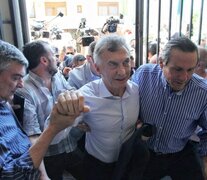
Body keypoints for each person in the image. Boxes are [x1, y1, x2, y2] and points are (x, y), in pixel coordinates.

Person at [0, 39, 89, 179]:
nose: (20, 84)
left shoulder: (57, 76)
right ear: (44, 60)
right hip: (48, 154)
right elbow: (31, 136)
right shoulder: (24, 92)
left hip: (69, 143)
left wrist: (77, 114)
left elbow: (70, 92)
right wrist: (43, 175)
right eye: (16, 77)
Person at [73, 34, 148, 179]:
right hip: (97, 167)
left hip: (128, 163)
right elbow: (58, 131)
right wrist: (72, 120)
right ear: (97, 68)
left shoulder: (136, 91)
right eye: (113, 64)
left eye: (126, 62)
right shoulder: (85, 96)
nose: (122, 71)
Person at [131, 37, 207, 180]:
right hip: (144, 152)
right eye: (177, 69)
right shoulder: (143, 75)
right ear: (161, 63)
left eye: (190, 70)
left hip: (180, 153)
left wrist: (204, 158)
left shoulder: (203, 92)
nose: (184, 77)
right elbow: (125, 102)